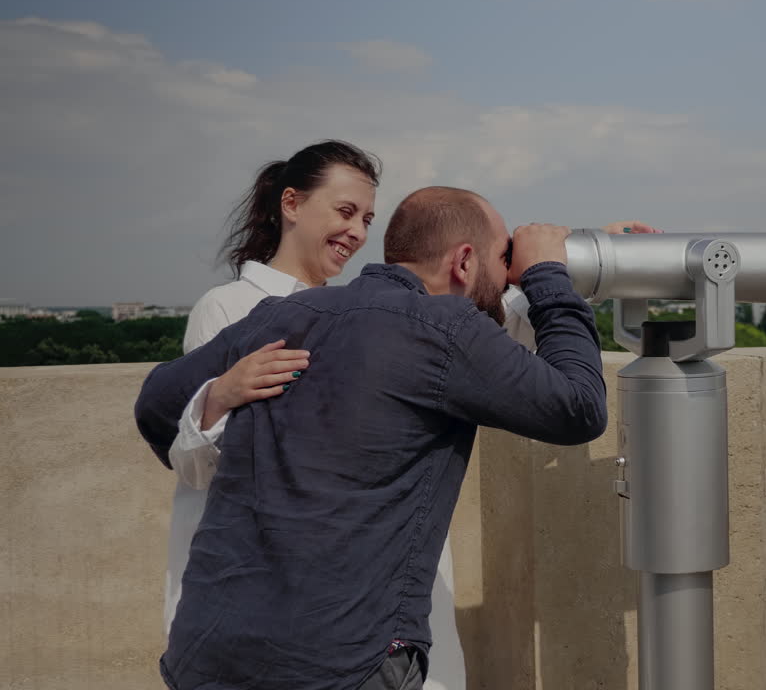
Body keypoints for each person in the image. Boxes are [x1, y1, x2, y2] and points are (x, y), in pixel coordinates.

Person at [163, 141, 658, 690]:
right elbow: (198, 464)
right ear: (292, 204)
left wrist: (575, 260)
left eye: (367, 218)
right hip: (287, 611)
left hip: (377, 599)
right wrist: (217, 398)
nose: (356, 231)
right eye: (345, 211)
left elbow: (480, 329)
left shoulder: (369, 309)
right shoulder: (231, 309)